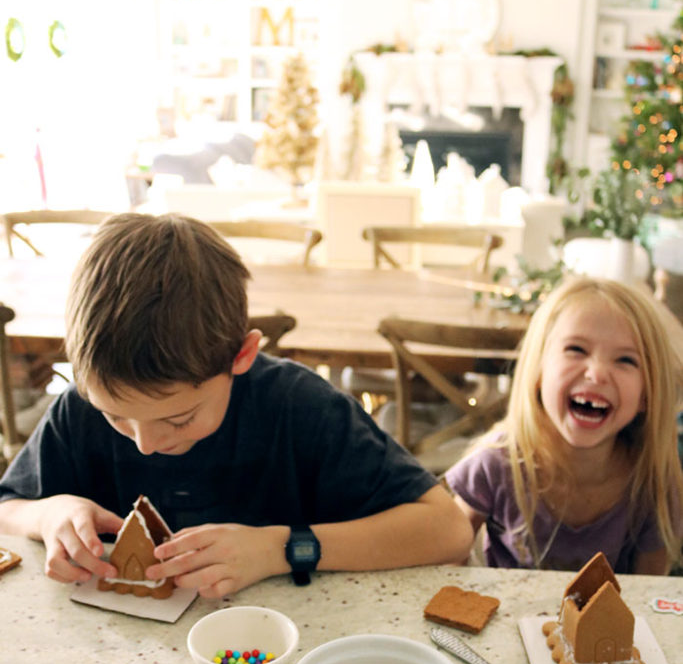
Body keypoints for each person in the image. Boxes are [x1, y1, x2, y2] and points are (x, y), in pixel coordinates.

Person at [0, 212, 473, 597]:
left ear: (241, 355)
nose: (145, 444)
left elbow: (447, 530)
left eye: (179, 417)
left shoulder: (301, 408)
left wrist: (281, 548)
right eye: (116, 416)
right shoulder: (79, 407)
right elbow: (8, 507)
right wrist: (46, 514)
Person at [445, 276, 682, 575]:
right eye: (576, 350)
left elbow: (649, 596)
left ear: (647, 395)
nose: (596, 373)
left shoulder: (653, 484)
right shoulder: (494, 464)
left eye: (625, 360)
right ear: (539, 371)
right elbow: (446, 563)